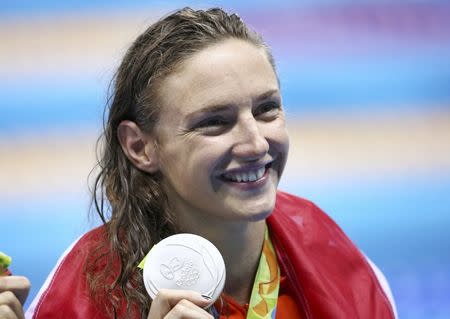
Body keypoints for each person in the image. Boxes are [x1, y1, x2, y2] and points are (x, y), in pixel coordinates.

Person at [0, 7, 397, 319]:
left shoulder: (341, 265)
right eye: (214, 122)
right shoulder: (84, 291)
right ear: (140, 147)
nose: (256, 142)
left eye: (266, 109)